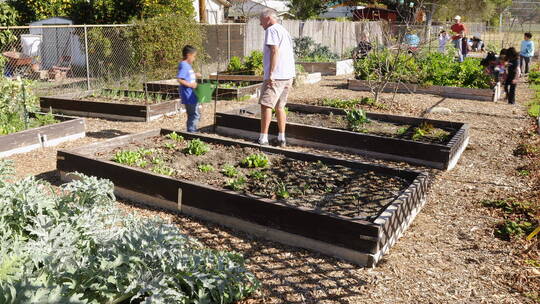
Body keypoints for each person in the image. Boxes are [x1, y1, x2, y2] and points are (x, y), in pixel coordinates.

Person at [258, 9, 296, 147]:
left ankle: (263, 139)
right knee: (280, 106)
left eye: (261, 20)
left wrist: (271, 74)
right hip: (288, 75)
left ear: (268, 18)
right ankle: (281, 138)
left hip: (277, 76)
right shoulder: (283, 30)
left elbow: (274, 50)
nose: (260, 23)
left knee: (266, 105)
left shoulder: (271, 30)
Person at [176, 45, 201, 133]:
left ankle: (192, 130)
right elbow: (180, 79)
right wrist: (190, 85)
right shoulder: (184, 65)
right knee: (194, 114)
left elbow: (187, 75)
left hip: (192, 94)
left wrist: (194, 74)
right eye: (194, 56)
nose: (194, 58)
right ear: (189, 55)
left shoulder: (187, 65)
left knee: (195, 113)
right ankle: (192, 132)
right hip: (188, 94)